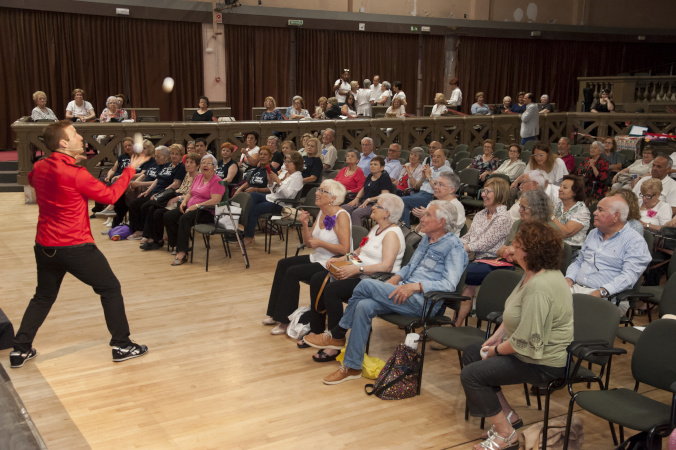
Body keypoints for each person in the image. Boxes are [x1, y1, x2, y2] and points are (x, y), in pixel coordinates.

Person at [10, 120, 150, 369]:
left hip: (44, 246)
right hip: (75, 246)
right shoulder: (75, 173)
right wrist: (130, 170)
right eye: (75, 134)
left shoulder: (40, 166)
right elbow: (109, 196)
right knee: (110, 288)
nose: (80, 137)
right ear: (63, 143)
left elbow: (33, 180)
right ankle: (122, 345)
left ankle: (20, 350)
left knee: (42, 296)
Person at [304, 201, 468, 384]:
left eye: (428, 215)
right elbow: (410, 266)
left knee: (365, 285)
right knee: (364, 306)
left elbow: (449, 284)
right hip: (402, 292)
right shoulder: (427, 239)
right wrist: (397, 278)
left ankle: (337, 333)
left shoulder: (454, 247)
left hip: (423, 302)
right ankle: (352, 366)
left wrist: (415, 286)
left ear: (441, 222)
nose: (423, 218)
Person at [461, 221, 573, 450]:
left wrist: (496, 350)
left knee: (472, 375)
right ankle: (509, 417)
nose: (511, 248)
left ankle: (506, 436)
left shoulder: (540, 286)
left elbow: (528, 340)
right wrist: (499, 334)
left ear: (531, 251)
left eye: (517, 244)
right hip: (526, 353)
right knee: (473, 353)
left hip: (542, 362)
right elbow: (515, 311)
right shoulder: (532, 274)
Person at [304, 194, 406, 361]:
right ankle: (323, 332)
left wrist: (357, 269)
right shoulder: (375, 229)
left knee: (333, 290)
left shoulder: (392, 234)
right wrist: (341, 259)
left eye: (377, 206)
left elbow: (387, 266)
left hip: (376, 281)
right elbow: (359, 253)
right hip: (361, 274)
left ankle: (335, 341)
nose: (372, 207)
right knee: (320, 278)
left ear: (387, 213)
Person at [263, 180, 350, 334]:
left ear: (333, 197)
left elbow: (345, 249)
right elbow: (308, 243)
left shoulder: (341, 215)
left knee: (292, 272)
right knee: (283, 264)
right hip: (318, 257)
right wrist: (304, 224)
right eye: (318, 189)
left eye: (322, 191)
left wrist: (321, 243)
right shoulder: (323, 212)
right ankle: (276, 314)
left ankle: (284, 321)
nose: (316, 193)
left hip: (332, 262)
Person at [565, 196, 651, 315]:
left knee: (565, 316)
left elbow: (629, 276)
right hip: (577, 290)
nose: (594, 212)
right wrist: (569, 279)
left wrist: (602, 292)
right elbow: (579, 262)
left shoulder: (634, 241)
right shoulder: (594, 233)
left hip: (608, 298)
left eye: (600, 210)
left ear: (616, 216)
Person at [455, 178, 514, 325]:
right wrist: (454, 243)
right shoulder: (481, 214)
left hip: (496, 261)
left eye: (488, 192)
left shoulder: (503, 217)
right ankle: (455, 323)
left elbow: (485, 244)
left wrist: (463, 247)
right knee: (466, 281)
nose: (483, 194)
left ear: (499, 194)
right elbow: (469, 237)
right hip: (478, 260)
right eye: (483, 191)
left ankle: (455, 322)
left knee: (463, 274)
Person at [164, 154, 225, 265]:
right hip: (191, 208)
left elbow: (216, 200)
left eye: (209, 163)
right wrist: (184, 202)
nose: (205, 165)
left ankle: (182, 253)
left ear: (215, 167)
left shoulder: (217, 181)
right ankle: (178, 244)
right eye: (203, 163)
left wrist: (196, 206)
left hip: (207, 211)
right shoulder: (199, 177)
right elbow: (190, 193)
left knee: (184, 219)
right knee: (168, 216)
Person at [242, 151, 305, 246]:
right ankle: (246, 231)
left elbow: (288, 196)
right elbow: (274, 190)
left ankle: (249, 236)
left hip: (281, 204)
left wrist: (278, 181)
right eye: (285, 161)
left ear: (296, 164)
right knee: (251, 196)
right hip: (272, 198)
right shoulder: (284, 173)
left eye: (289, 162)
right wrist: (271, 182)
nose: (286, 164)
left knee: (254, 209)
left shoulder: (297, 177)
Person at [141, 152, 201, 251]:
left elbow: (193, 195)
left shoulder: (198, 177)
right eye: (187, 162)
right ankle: (154, 239)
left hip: (185, 202)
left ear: (198, 166)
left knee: (158, 213)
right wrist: (165, 194)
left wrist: (176, 198)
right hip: (178, 198)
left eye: (191, 163)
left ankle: (165, 241)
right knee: (152, 208)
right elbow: (180, 189)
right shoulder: (187, 174)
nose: (188, 164)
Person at [127, 145, 186, 240]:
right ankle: (136, 229)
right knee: (134, 203)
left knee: (145, 206)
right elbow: (157, 179)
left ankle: (144, 232)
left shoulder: (181, 168)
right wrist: (147, 191)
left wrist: (160, 193)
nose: (174, 156)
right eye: (172, 153)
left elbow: (176, 184)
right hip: (155, 192)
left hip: (165, 195)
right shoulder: (168, 165)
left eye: (177, 154)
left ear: (181, 156)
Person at [401, 149, 453, 226]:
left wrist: (429, 177)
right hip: (419, 194)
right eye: (433, 156)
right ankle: (402, 227)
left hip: (431, 197)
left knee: (402, 201)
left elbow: (439, 189)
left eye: (438, 157)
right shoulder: (430, 169)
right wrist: (423, 177)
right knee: (397, 201)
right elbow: (416, 186)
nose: (435, 158)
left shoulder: (447, 171)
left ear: (445, 158)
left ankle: (405, 229)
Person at [342, 156, 393, 226]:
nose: (372, 166)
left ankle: (357, 234)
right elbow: (363, 189)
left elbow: (384, 195)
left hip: (375, 204)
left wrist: (369, 200)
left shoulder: (385, 178)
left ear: (382, 168)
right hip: (363, 202)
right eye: (371, 164)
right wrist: (356, 198)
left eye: (375, 164)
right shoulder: (370, 176)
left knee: (356, 213)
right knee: (343, 208)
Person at [411, 171, 466, 236]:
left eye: (440, 185)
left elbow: (448, 232)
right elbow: (418, 231)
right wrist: (422, 218)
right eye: (435, 183)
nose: (435, 187)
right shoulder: (433, 204)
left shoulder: (456, 207)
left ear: (451, 189)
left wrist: (430, 216)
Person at [552, 175, 590, 249]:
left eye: (565, 188)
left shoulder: (582, 211)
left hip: (571, 250)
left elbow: (566, 232)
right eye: (560, 186)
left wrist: (551, 216)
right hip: (553, 246)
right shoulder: (557, 206)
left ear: (574, 193)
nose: (559, 189)